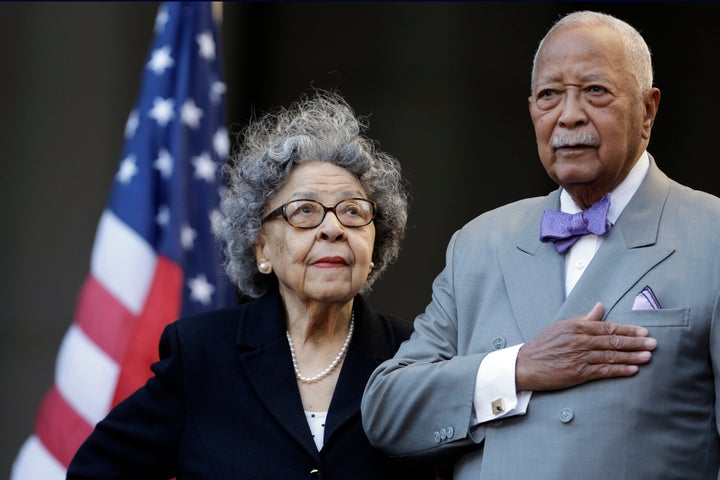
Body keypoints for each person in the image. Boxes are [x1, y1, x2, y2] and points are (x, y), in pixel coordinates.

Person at [361, 10, 720, 479]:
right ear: (532, 108)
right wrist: (517, 368)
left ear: (647, 110)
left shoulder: (710, 234)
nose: (569, 116)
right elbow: (387, 410)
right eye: (550, 95)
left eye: (595, 91)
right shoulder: (480, 243)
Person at [67, 91, 435, 479]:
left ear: (375, 243)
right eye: (305, 211)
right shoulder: (202, 355)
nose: (333, 228)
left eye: (353, 212)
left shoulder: (414, 356)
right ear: (262, 249)